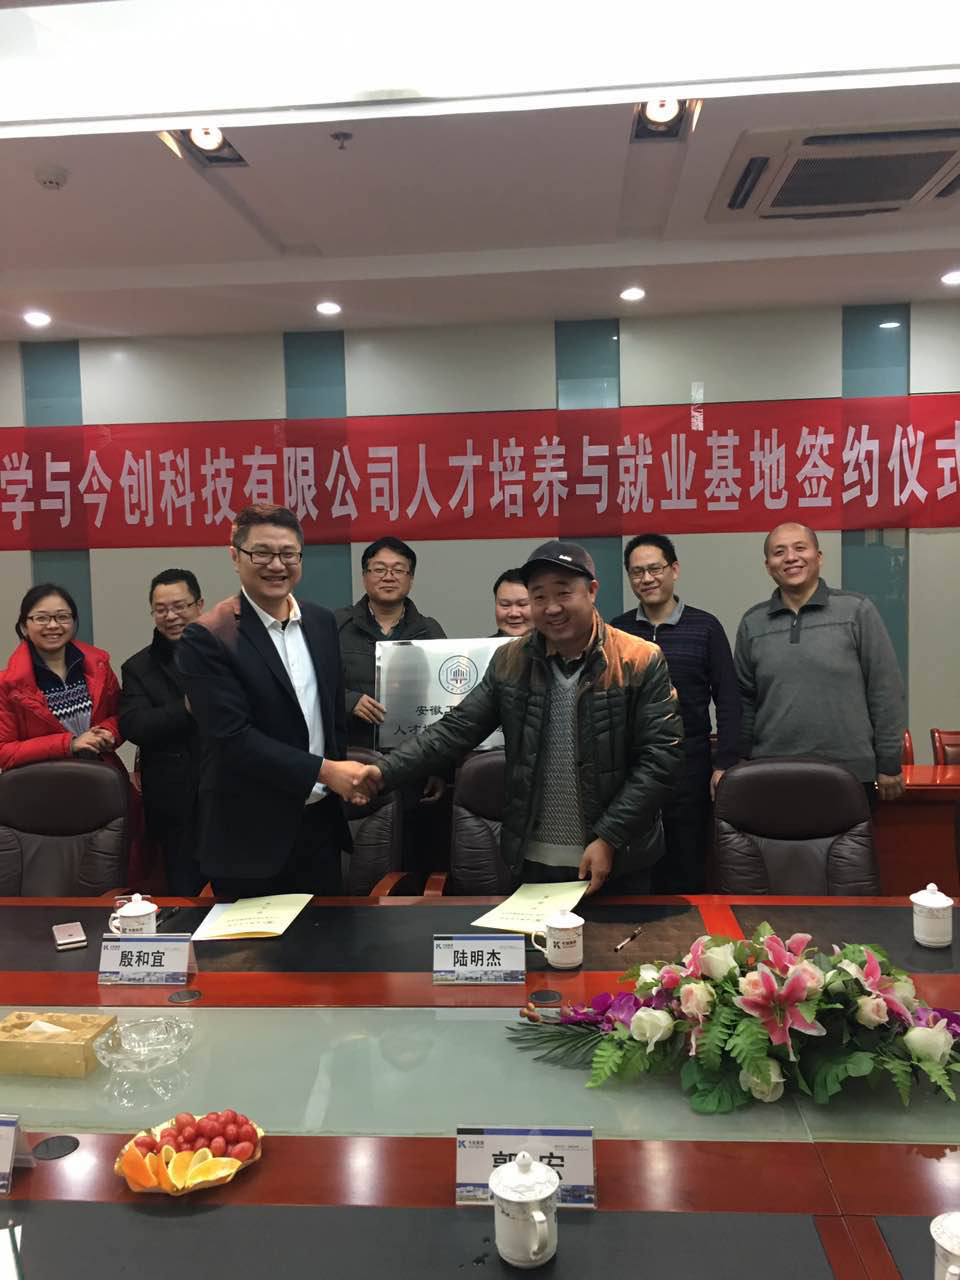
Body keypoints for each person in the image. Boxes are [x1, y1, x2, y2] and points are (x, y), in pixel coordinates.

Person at [352, 541, 684, 894]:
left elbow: (661, 759)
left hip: (618, 859)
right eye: (539, 596)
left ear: (591, 591)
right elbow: (455, 730)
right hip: (534, 860)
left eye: (563, 593)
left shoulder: (639, 659)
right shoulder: (511, 661)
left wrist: (610, 836)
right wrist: (383, 772)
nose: (551, 607)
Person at [176, 503, 367, 896]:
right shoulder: (208, 636)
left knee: (327, 934)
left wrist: (335, 779)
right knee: (251, 939)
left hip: (319, 829)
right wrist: (326, 770)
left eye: (288, 553)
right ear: (235, 556)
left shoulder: (321, 622)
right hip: (248, 837)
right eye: (261, 553)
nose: (277, 565)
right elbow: (231, 738)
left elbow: (330, 717)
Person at [735, 522, 906, 801]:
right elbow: (744, 700)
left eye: (800, 548)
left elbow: (885, 689)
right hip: (771, 770)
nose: (791, 557)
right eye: (779, 552)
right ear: (768, 566)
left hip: (850, 771)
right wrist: (740, 760)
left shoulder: (856, 610)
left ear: (819, 557)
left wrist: (888, 761)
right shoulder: (753, 622)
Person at [610, 533, 741, 892]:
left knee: (687, 862)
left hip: (690, 764)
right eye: (637, 572)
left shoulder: (705, 627)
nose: (647, 579)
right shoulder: (617, 631)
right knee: (632, 865)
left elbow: (728, 698)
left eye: (655, 569)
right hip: (631, 768)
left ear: (674, 570)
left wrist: (724, 763)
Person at [118, 568, 206, 896]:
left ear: (199, 605)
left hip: (229, 792)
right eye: (161, 609)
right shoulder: (138, 667)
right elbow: (135, 725)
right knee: (185, 895)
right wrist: (185, 708)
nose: (170, 616)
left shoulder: (229, 652)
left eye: (179, 606)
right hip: (175, 802)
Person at [336, 536, 446, 752]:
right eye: (379, 569)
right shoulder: (336, 624)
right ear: (364, 577)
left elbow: (443, 696)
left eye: (398, 570)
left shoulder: (430, 630)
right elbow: (312, 683)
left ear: (410, 579)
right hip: (351, 752)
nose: (388, 577)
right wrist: (349, 700)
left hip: (414, 754)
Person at [492, 569, 533, 637]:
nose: (514, 613)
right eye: (505, 605)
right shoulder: (482, 644)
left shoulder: (552, 643)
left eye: (522, 604)